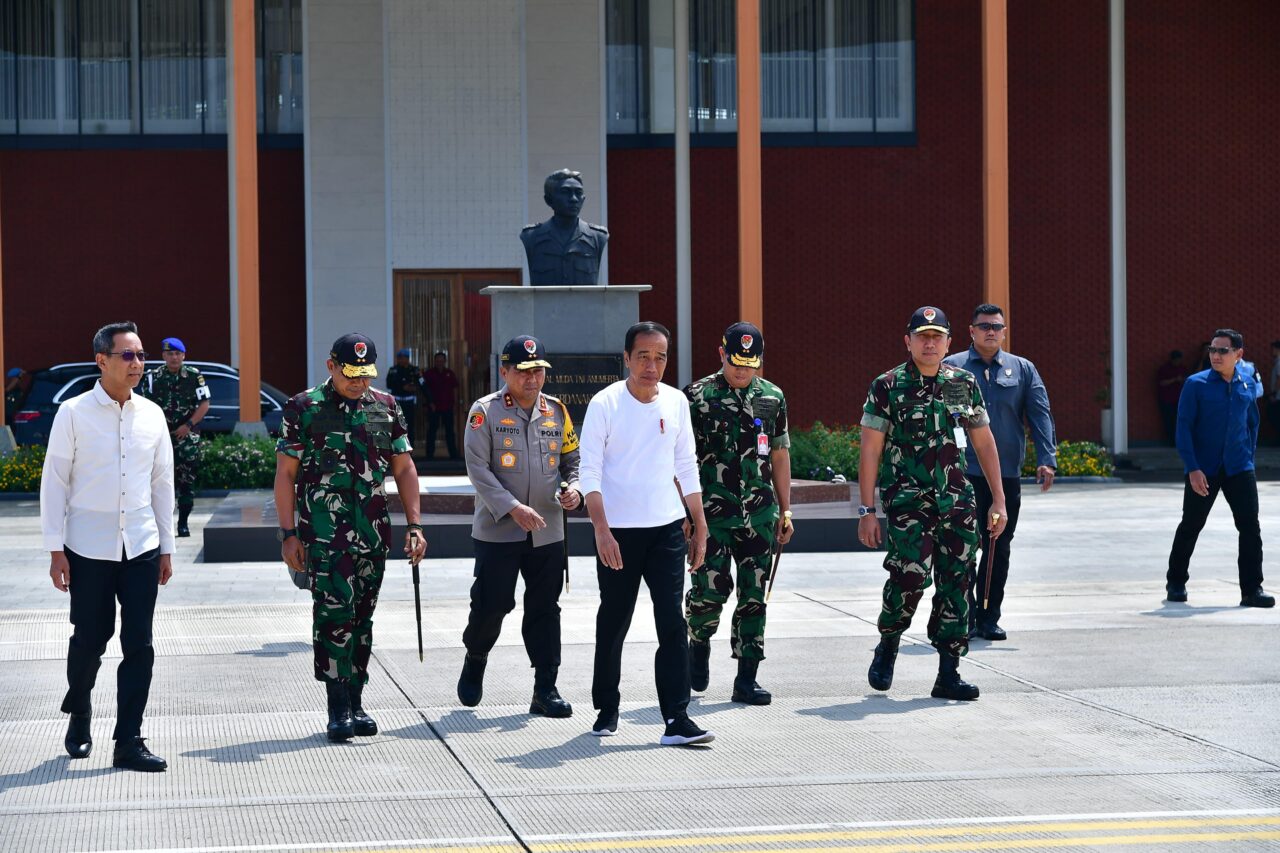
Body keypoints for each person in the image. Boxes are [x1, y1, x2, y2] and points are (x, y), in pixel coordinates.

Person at [274, 333, 429, 742]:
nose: (358, 383)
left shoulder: (385, 406)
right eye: (350, 375)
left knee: (362, 620)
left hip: (373, 535)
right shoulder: (304, 408)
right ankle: (337, 706)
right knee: (332, 618)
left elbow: (404, 468)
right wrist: (288, 535)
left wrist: (415, 524)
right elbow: (286, 475)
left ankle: (358, 701)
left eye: (364, 376)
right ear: (331, 366)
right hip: (323, 538)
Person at [40, 321, 173, 772]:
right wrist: (55, 549)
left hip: (141, 547)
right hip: (87, 549)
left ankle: (128, 740)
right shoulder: (73, 413)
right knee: (90, 640)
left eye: (141, 356)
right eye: (128, 356)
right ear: (102, 361)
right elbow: (54, 483)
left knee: (140, 643)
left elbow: (162, 484)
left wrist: (167, 547)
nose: (138, 363)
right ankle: (80, 709)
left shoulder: (153, 415)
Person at [859, 307, 1008, 701]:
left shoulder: (962, 383)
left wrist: (998, 497)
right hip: (908, 502)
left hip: (957, 502)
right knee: (908, 578)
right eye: (922, 336)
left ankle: (948, 672)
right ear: (907, 341)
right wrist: (867, 511)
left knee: (957, 583)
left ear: (949, 342)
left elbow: (983, 440)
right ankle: (889, 642)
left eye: (937, 336)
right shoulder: (888, 386)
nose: (929, 343)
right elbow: (870, 451)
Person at [579, 321, 715, 745]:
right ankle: (607, 706)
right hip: (618, 532)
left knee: (672, 621)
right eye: (643, 356)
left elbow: (686, 464)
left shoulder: (676, 402)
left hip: (667, 530)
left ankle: (676, 717)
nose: (652, 366)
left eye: (660, 357)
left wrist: (700, 523)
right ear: (626, 358)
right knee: (614, 620)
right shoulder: (605, 404)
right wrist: (600, 529)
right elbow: (590, 473)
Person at [458, 335, 582, 717]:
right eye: (524, 371)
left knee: (545, 607)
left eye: (538, 371)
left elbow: (572, 460)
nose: (532, 379)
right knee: (492, 603)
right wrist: (512, 508)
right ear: (505, 371)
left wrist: (574, 489)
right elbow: (477, 468)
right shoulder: (486, 412)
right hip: (499, 529)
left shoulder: (557, 411)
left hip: (547, 529)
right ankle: (476, 657)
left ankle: (546, 687)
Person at [683, 321, 793, 705]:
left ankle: (747, 677)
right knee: (709, 593)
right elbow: (683, 461)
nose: (743, 371)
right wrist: (687, 512)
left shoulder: (772, 396)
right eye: (736, 363)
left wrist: (786, 509)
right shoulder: (697, 396)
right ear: (721, 354)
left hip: (759, 514)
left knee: (754, 596)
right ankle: (698, 640)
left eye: (751, 364)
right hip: (711, 517)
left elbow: (779, 453)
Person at [943, 304, 1056, 641]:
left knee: (998, 545)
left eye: (996, 326)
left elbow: (1040, 414)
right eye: (984, 326)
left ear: (1004, 332)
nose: (990, 331)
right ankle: (964, 616)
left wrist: (1046, 457)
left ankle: (990, 616)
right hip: (961, 472)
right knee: (963, 547)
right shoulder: (953, 368)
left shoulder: (1022, 369)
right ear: (971, 331)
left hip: (1004, 475)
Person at [1166, 329, 1273, 608]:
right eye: (1213, 350)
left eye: (1222, 351)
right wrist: (1193, 468)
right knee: (1191, 524)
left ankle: (1252, 590)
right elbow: (1184, 427)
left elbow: (1252, 424)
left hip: (1239, 467)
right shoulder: (1195, 384)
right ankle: (1176, 582)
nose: (1215, 355)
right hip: (1205, 468)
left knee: (1250, 527)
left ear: (1239, 354)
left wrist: (1247, 457)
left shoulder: (1247, 384)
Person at [139, 338, 211, 537]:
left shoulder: (194, 376)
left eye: (178, 354)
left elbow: (204, 404)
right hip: (158, 437)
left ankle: (183, 523)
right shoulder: (153, 377)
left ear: (184, 355)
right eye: (170, 354)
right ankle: (159, 524)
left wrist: (188, 426)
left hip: (185, 437)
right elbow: (144, 406)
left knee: (186, 482)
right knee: (156, 481)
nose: (174, 357)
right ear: (163, 356)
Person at [520, 168, 609, 286]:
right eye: (565, 192)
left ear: (583, 199)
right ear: (549, 200)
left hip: (584, 304)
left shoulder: (598, 236)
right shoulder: (531, 236)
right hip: (545, 304)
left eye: (578, 193)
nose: (573, 199)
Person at [421, 351, 460, 460]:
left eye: (441, 361)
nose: (439, 363)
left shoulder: (450, 373)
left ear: (445, 361)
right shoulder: (429, 374)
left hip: (447, 407)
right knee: (431, 432)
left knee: (450, 432)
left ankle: (453, 455)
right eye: (438, 361)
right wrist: (427, 404)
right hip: (433, 408)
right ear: (434, 361)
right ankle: (429, 456)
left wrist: (455, 404)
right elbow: (423, 390)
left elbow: (455, 388)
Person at [385, 348, 423, 452]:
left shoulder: (414, 370)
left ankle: (410, 449)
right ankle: (396, 449)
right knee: (396, 426)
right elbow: (388, 384)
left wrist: (416, 387)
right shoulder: (393, 370)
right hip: (397, 403)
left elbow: (422, 383)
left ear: (408, 358)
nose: (402, 360)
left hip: (410, 402)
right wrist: (402, 387)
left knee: (410, 426)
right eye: (399, 358)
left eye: (404, 358)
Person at [1156, 350, 1189, 446]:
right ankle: (1171, 441)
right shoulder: (1164, 369)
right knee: (1169, 420)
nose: (1178, 362)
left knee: (1179, 420)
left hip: (1179, 399)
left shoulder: (1182, 368)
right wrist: (1174, 379)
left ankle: (1179, 441)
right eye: (1176, 360)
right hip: (1167, 399)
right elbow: (1161, 383)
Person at [1270, 341, 1280, 444]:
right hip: (1277, 395)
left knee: (1276, 417)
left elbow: (1279, 379)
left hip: (1278, 396)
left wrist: (1273, 393)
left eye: (1273, 349)